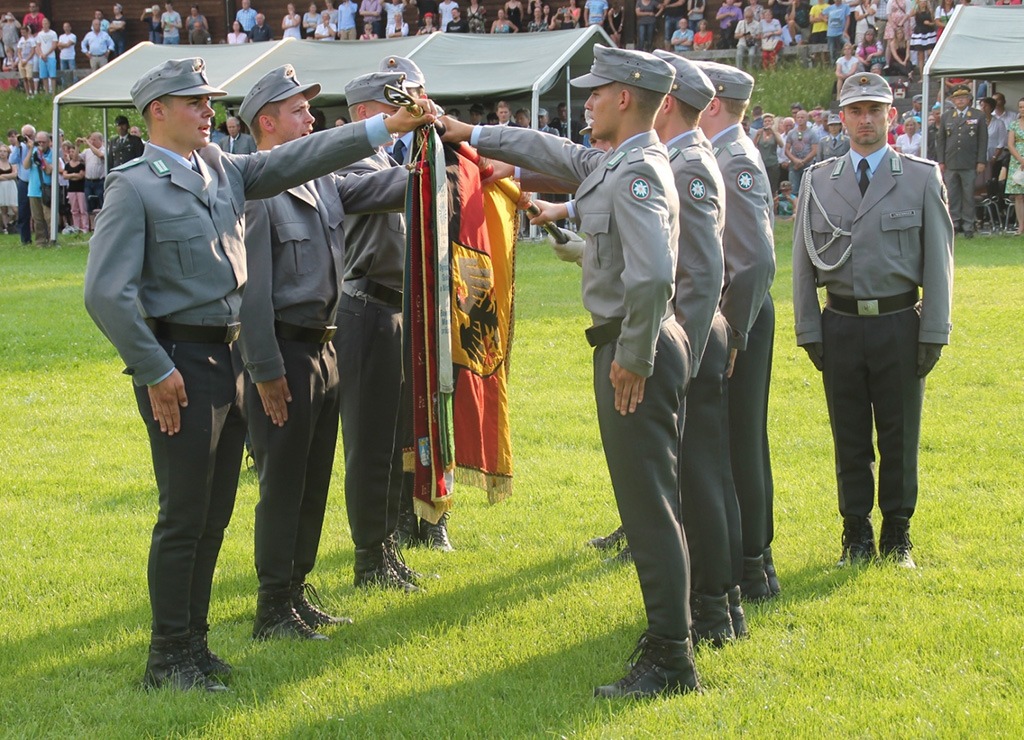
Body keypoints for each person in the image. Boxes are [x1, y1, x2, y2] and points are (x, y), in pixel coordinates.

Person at [82, 55, 433, 693]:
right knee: (184, 515)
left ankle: (195, 643)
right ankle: (167, 657)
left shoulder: (220, 168)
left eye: (209, 101)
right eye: (194, 102)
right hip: (180, 362)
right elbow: (106, 295)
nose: (207, 110)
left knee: (214, 514)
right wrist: (155, 371)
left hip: (225, 357)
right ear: (157, 112)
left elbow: (294, 162)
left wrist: (384, 130)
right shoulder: (134, 186)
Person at [443, 44, 700, 699]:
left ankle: (672, 658)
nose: (584, 101)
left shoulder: (639, 168)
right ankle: (669, 635)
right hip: (625, 341)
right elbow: (549, 151)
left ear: (624, 99)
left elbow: (652, 278)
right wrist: (470, 133)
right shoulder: (616, 159)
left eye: (594, 92)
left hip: (631, 346)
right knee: (648, 504)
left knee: (649, 509)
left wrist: (632, 360)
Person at [237, 64, 408, 639]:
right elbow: (251, 293)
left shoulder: (320, 180)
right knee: (282, 482)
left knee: (312, 479)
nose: (312, 116)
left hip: (324, 347)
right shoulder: (257, 190)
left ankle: (294, 589)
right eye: (298, 110)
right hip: (283, 351)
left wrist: (439, 145)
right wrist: (264, 369)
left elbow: (390, 186)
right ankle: (270, 607)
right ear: (267, 122)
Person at [792, 72, 953, 568]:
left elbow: (939, 264)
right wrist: (808, 328)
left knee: (900, 433)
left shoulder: (922, 177)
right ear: (842, 118)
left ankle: (897, 535)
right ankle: (855, 533)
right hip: (840, 324)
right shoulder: (818, 180)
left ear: (891, 117)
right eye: (856, 111)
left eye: (875, 111)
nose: (866, 120)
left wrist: (934, 331)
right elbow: (801, 261)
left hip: (899, 321)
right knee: (850, 436)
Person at [336, 70, 426, 592]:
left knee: (394, 443)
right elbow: (366, 193)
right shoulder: (351, 159)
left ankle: (387, 544)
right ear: (371, 114)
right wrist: (426, 171)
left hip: (393, 311)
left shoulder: (389, 159)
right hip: (366, 309)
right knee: (369, 444)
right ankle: (369, 556)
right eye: (402, 105)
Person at [695, 59, 778, 604]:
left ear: (713, 104)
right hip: (733, 312)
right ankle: (752, 561)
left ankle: (754, 563)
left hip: (739, 312)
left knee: (740, 440)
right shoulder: (721, 154)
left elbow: (753, 263)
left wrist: (736, 334)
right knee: (732, 439)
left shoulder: (734, 159)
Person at [936, 85, 986, 238]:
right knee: (952, 194)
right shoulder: (947, 116)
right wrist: (941, 161)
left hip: (969, 162)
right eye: (957, 98)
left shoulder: (978, 115)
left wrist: (981, 161)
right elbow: (941, 140)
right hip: (951, 162)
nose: (959, 100)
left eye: (962, 98)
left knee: (968, 195)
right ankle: (955, 223)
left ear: (969, 99)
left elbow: (983, 140)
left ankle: (969, 225)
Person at [23, 129, 53, 246]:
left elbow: (49, 170)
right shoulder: (33, 151)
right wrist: (31, 149)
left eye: (43, 142)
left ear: (49, 142)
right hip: (33, 190)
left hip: (46, 189)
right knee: (38, 218)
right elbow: (26, 165)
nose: (40, 144)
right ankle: (40, 241)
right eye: (38, 142)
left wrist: (41, 156)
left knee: (49, 217)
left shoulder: (52, 153)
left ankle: (52, 239)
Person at [785, 107, 818, 191]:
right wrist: (795, 160)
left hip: (808, 165)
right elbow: (787, 150)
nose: (800, 119)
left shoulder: (812, 133)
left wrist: (802, 162)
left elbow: (815, 150)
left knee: (807, 190)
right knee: (793, 189)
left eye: (802, 117)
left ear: (807, 118)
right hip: (794, 166)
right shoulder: (791, 133)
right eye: (798, 117)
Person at [753, 111, 783, 195]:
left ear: (772, 122)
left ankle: (774, 206)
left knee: (773, 188)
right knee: (762, 186)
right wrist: (756, 135)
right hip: (762, 163)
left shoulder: (775, 134)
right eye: (765, 121)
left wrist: (773, 132)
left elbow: (781, 144)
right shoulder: (760, 133)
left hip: (773, 164)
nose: (767, 123)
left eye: (769, 121)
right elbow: (753, 146)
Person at [1006, 98, 1024, 235]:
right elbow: (1010, 144)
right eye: (1020, 107)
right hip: (1017, 161)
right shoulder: (1014, 125)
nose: (1022, 109)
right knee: (1019, 196)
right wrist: (1021, 160)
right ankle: (1021, 226)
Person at [79, 131, 106, 215]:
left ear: (100, 141)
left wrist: (88, 143)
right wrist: (77, 146)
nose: (91, 142)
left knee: (101, 204)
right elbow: (76, 158)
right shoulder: (87, 151)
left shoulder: (104, 150)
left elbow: (100, 155)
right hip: (88, 181)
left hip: (99, 181)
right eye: (91, 140)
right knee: (89, 206)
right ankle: (93, 227)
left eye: (94, 140)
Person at [0, 143, 19, 233]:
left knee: (15, 208)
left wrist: (3, 176)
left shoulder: (12, 163)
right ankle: (6, 227)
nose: (2, 153)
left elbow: (15, 174)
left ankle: (14, 222)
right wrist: (8, 176)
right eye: (1, 151)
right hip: (1, 187)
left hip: (10, 186)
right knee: (3, 208)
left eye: (4, 151)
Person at [734, 5, 759, 69]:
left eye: (749, 17)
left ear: (752, 17)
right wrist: (742, 34)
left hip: (752, 43)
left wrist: (752, 36)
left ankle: (750, 69)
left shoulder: (757, 24)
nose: (748, 19)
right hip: (742, 43)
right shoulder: (740, 23)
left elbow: (760, 36)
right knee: (739, 55)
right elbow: (735, 36)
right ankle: (739, 70)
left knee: (751, 54)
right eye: (746, 17)